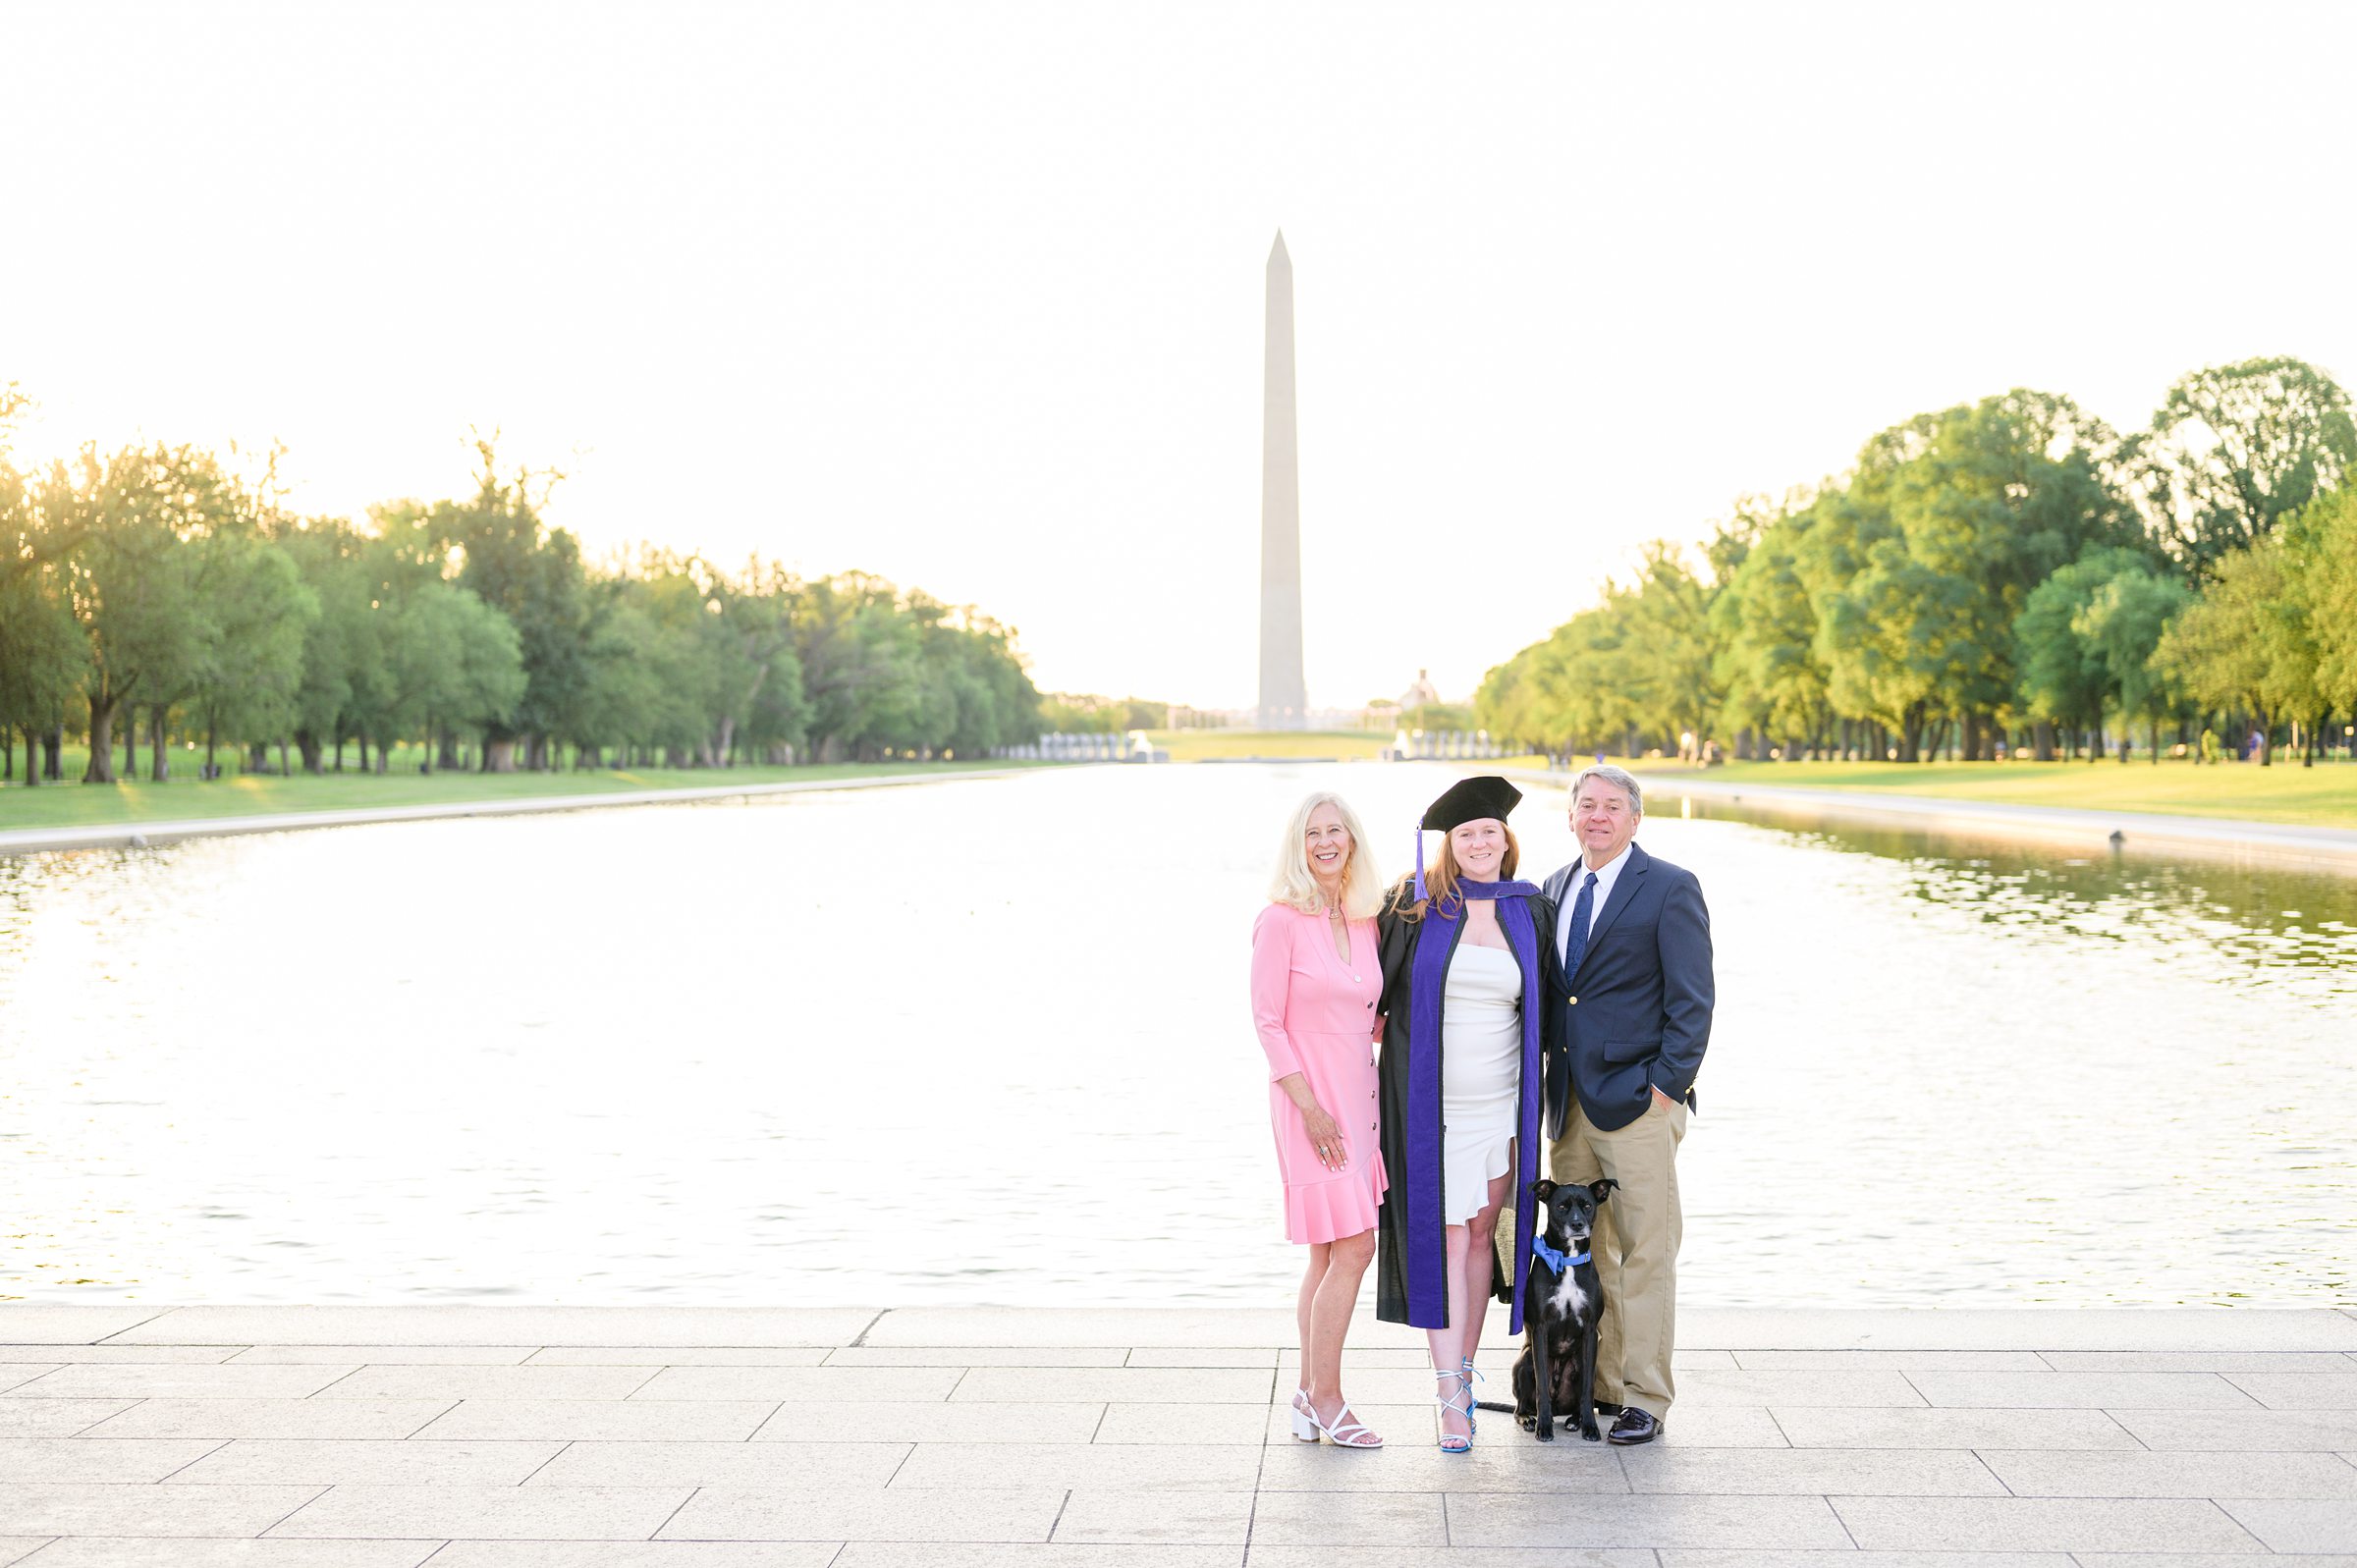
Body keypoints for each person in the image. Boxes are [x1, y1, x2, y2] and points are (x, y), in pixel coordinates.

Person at [1373, 776, 1558, 1452]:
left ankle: (1469, 1374)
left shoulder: (1527, 909)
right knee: (1448, 1238)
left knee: (1481, 1236)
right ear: (1448, 845)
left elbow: (1551, 1002)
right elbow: (1370, 988)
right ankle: (1450, 1394)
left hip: (1502, 1107)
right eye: (1466, 833)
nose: (1480, 842)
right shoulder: (1416, 905)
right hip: (1431, 1108)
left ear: (1506, 840)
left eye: (1489, 831)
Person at [1541, 764, 1714, 1445]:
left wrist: (1666, 1086)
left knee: (1647, 1249)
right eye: (1587, 804)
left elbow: (1693, 1001)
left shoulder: (1669, 887)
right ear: (1572, 815)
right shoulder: (1554, 887)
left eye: (1613, 805)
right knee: (1588, 1251)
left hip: (1639, 1100)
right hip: (1571, 1105)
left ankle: (1647, 1396)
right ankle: (1601, 1386)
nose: (1598, 815)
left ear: (1635, 819)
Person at [1250, 791, 1389, 1449]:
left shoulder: (1364, 919)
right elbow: (1267, 1021)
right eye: (1314, 833)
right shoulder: (1279, 920)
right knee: (1356, 1247)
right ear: (1298, 846)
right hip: (1310, 1105)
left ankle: (1308, 1396)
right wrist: (1308, 1107)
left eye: (1337, 830)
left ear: (1353, 841)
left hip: (1359, 1103)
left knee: (1330, 1252)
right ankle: (1328, 1396)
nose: (1327, 842)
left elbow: (1370, 1013)